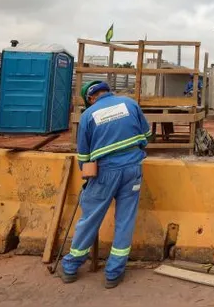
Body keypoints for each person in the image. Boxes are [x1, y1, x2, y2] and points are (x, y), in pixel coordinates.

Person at [59, 81, 151, 288]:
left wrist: (88, 176)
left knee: (90, 217)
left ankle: (71, 266)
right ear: (108, 91)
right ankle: (114, 273)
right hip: (133, 169)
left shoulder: (88, 115)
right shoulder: (130, 104)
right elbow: (147, 136)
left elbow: (83, 156)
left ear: (91, 98)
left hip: (104, 173)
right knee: (125, 220)